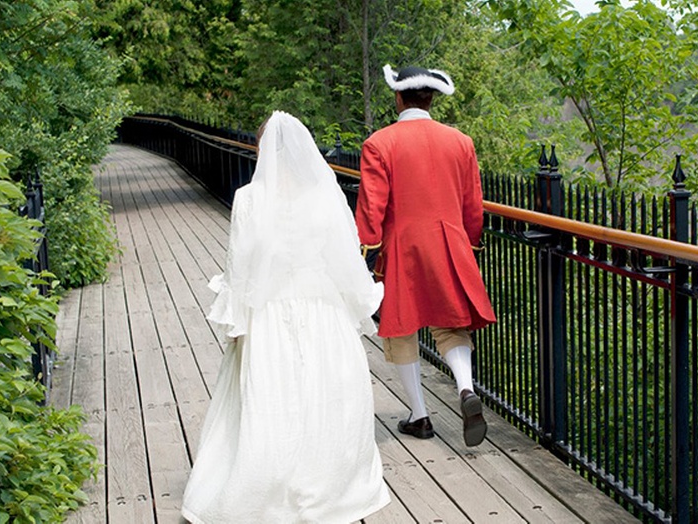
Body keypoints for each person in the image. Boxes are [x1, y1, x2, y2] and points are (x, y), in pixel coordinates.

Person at [181, 111, 390, 523]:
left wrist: (236, 321)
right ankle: (329, 486)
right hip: (322, 309)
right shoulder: (325, 196)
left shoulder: (248, 199)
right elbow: (344, 260)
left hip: (270, 314)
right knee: (324, 398)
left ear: (262, 152)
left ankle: (267, 490)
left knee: (270, 400)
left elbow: (240, 266)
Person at [354, 64, 496, 447]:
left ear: (398, 97)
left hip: (401, 247)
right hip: (450, 243)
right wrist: (470, 246)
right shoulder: (461, 142)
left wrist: (365, 252)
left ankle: (420, 416)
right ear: (431, 98)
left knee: (401, 328)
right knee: (451, 325)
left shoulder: (379, 144)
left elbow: (371, 209)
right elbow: (473, 206)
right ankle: (465, 389)